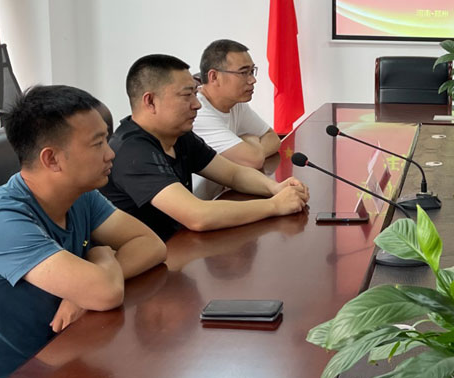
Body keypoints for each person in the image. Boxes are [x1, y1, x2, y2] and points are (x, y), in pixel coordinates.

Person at [0, 85, 167, 378]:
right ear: (51, 159)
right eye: (97, 144)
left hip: (44, 375)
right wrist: (100, 257)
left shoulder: (80, 197)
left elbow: (151, 245)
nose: (110, 153)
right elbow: (105, 291)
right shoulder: (1, 222)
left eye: (106, 139)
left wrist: (84, 288)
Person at [101, 54, 309, 240]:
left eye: (195, 93)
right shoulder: (133, 152)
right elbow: (197, 216)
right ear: (151, 101)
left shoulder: (179, 135)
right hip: (146, 272)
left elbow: (233, 174)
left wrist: (274, 188)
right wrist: (274, 205)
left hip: (176, 249)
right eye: (186, 95)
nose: (197, 104)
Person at [191, 39, 282, 200]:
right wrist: (249, 140)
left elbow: (272, 138)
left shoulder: (235, 103)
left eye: (252, 71)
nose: (252, 80)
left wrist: (250, 146)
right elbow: (253, 160)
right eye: (243, 72)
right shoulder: (198, 112)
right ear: (214, 76)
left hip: (223, 197)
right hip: (195, 209)